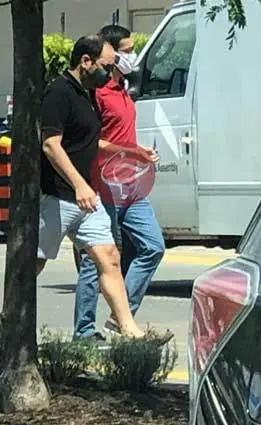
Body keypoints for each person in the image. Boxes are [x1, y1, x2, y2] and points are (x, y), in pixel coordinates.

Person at [38, 34, 152, 341]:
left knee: (110, 257)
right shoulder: (59, 92)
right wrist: (79, 185)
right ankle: (10, 323)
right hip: (57, 197)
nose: (110, 72)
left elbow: (92, 142)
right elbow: (51, 145)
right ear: (86, 61)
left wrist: (131, 152)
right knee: (34, 263)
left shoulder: (88, 94)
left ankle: (129, 329)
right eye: (106, 66)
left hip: (88, 199)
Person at [73, 25, 168, 342]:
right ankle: (84, 333)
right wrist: (131, 152)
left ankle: (119, 318)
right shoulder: (97, 94)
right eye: (126, 50)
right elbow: (92, 142)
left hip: (131, 187)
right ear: (110, 53)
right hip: (103, 187)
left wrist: (139, 152)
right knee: (96, 261)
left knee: (153, 247)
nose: (132, 55)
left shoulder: (123, 89)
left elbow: (122, 137)